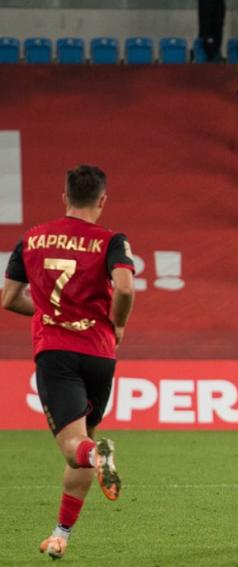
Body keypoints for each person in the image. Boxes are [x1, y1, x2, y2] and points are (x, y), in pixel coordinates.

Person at [1, 165, 134, 560]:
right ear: (102, 200)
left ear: (65, 197)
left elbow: (8, 298)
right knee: (85, 439)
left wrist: (46, 313)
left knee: (76, 448)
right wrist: (120, 324)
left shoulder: (33, 239)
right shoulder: (112, 240)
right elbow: (125, 286)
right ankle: (61, 535)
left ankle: (98, 456)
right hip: (99, 353)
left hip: (56, 354)